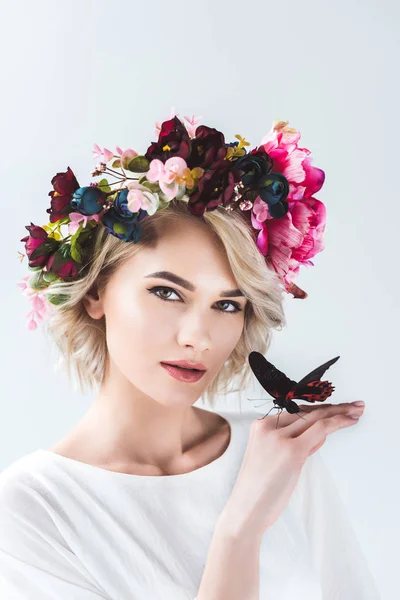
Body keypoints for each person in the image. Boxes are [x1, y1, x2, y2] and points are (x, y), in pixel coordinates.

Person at [1, 114, 381, 599]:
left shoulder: (278, 452)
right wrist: (239, 531)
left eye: (227, 304)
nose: (199, 337)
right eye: (166, 292)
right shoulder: (33, 509)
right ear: (96, 294)